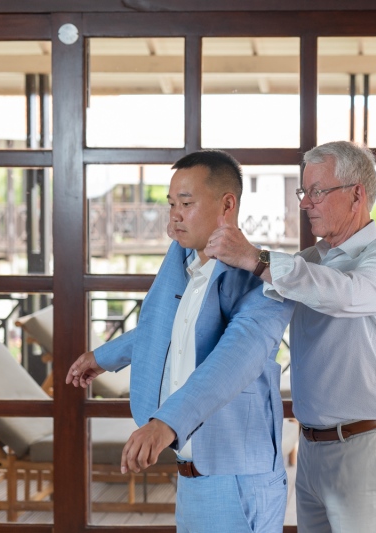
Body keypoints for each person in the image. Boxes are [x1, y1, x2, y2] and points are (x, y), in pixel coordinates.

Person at [66, 150, 294, 533]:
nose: (173, 214)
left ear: (227, 204)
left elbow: (230, 362)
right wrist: (104, 356)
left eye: (186, 203)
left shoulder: (266, 286)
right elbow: (167, 330)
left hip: (236, 477)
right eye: (171, 203)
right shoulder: (188, 270)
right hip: (191, 472)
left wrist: (163, 423)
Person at [204, 141, 376, 533]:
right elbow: (255, 298)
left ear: (357, 194)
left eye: (317, 191)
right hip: (311, 451)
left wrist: (256, 257)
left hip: (366, 449)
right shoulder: (310, 260)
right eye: (304, 192)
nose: (305, 203)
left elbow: (339, 293)